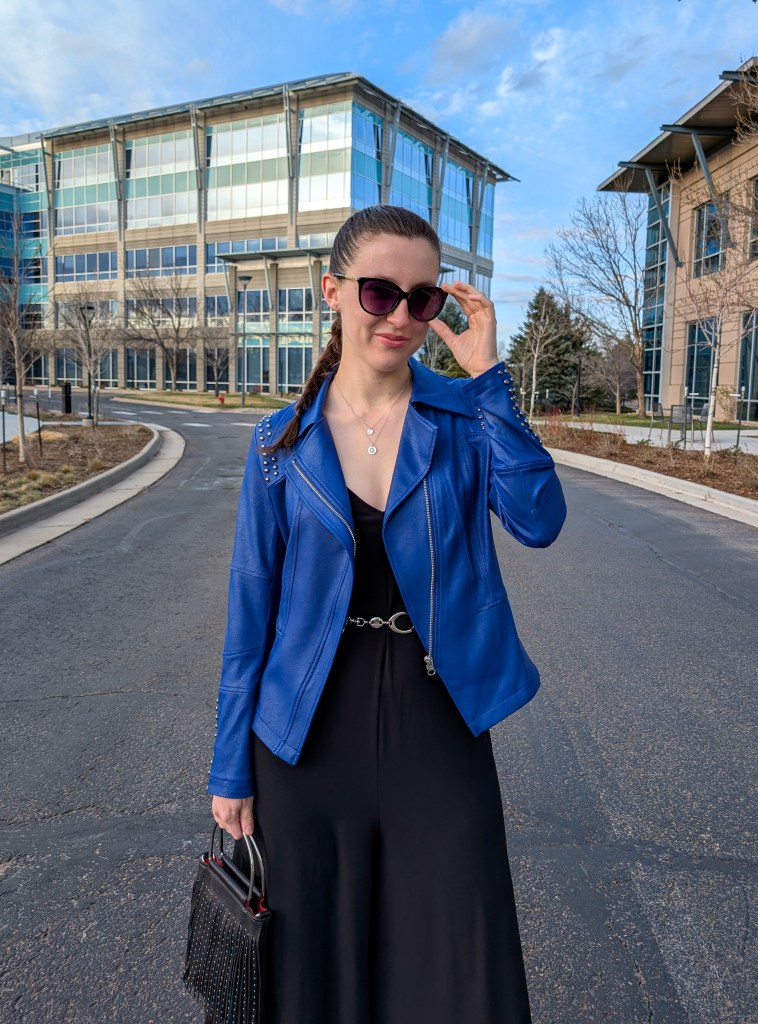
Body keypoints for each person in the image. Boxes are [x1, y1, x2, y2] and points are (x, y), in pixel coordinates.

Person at [208, 204, 566, 1024]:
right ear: (332, 292)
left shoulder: (466, 420)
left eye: (421, 299)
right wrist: (230, 767)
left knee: (451, 949)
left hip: (438, 718)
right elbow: (248, 609)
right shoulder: (280, 442)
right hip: (304, 735)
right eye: (378, 293)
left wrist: (487, 382)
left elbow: (539, 522)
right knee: (310, 956)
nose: (400, 316)